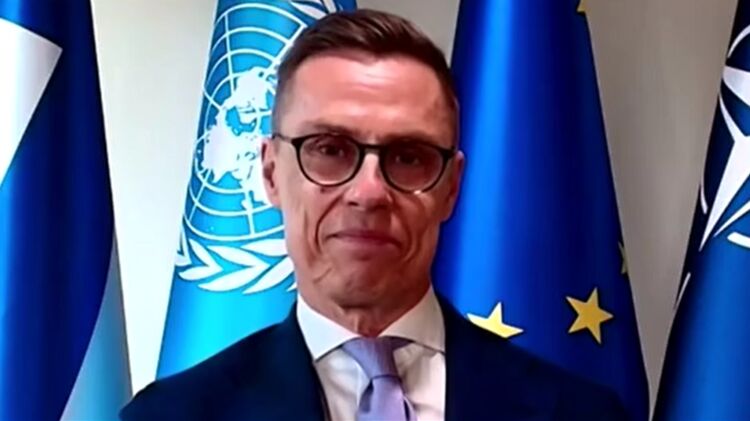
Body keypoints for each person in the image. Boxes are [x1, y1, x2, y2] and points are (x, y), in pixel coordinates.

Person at [121, 9, 629, 421]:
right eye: (329, 149)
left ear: (452, 187)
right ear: (272, 174)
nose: (368, 192)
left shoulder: (584, 415)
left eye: (408, 157)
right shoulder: (169, 417)